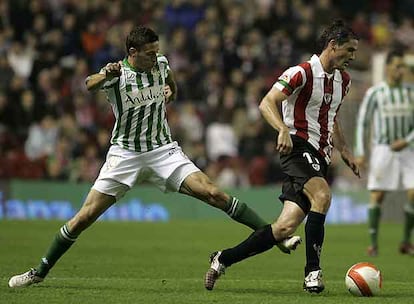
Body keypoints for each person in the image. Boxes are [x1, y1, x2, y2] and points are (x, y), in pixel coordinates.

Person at [8, 26, 296, 288]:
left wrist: (171, 92)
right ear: (132, 53)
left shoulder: (161, 64)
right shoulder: (117, 74)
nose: (155, 56)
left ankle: (275, 235)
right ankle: (39, 271)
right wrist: (105, 74)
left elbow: (173, 87)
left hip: (162, 150)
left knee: (214, 193)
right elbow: (88, 84)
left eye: (157, 51)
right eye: (149, 53)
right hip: (125, 154)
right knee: (84, 217)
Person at [204, 20, 360, 293]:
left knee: (284, 228)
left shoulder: (343, 82)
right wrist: (282, 130)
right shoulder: (301, 72)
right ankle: (312, 272)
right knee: (322, 196)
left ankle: (223, 258)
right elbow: (267, 102)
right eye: (349, 50)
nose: (352, 56)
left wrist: (344, 150)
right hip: (297, 147)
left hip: (320, 156)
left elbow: (330, 117)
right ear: (332, 46)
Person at [355, 49, 414, 257]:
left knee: (413, 193)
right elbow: (363, 122)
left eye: (403, 67)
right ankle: (373, 243)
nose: (401, 70)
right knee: (378, 195)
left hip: (408, 150)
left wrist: (407, 140)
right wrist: (360, 152)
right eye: (397, 66)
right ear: (388, 67)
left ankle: (406, 241)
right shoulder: (376, 93)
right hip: (383, 149)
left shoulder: (410, 92)